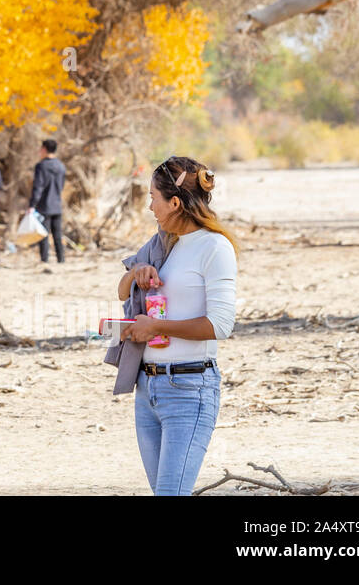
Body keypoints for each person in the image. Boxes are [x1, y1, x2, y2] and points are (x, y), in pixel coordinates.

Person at [119, 157, 237, 496]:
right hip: (148, 390)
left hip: (189, 389)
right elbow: (122, 290)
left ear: (174, 202)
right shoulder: (162, 245)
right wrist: (135, 272)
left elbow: (220, 324)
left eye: (153, 197)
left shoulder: (215, 247)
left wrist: (157, 327)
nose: (149, 206)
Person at [29, 139, 67, 263]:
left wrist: (32, 204)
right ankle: (61, 259)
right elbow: (61, 186)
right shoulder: (61, 166)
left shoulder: (41, 166)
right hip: (57, 204)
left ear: (44, 149)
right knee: (57, 235)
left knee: (43, 234)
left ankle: (44, 260)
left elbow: (38, 187)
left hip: (44, 205)